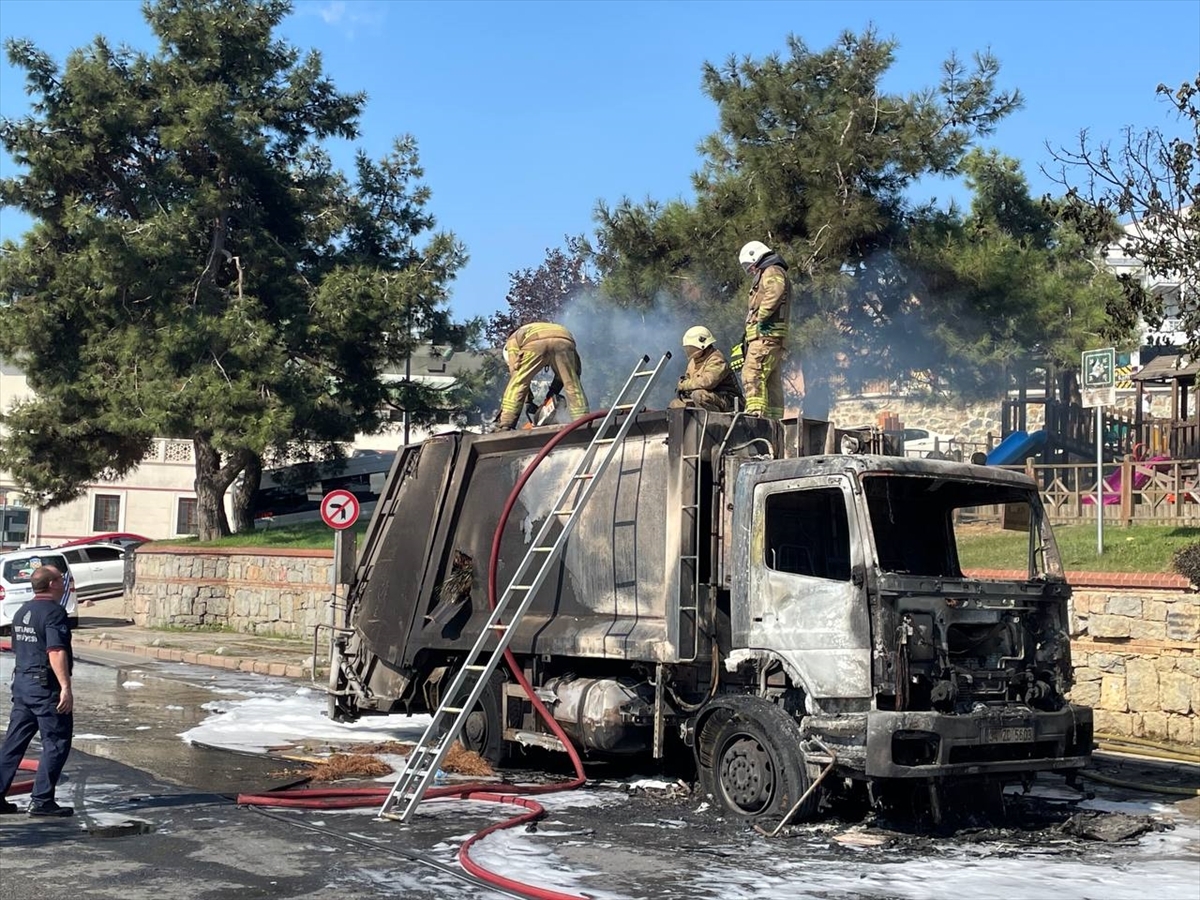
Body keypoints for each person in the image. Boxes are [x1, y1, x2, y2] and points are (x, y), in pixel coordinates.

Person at [0, 565, 75, 817]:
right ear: (52, 583)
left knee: (14, 744)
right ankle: (42, 800)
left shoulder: (22, 611)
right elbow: (55, 650)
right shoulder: (54, 613)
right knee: (56, 742)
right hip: (45, 688)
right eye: (61, 579)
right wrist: (65, 687)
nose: (64, 583)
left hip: (22, 685)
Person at [736, 240, 792, 418]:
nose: (750, 269)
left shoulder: (771, 270)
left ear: (756, 255)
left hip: (766, 337)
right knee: (771, 382)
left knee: (752, 373)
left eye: (749, 265)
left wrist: (760, 316)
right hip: (770, 338)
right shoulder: (773, 270)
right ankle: (774, 420)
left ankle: (755, 415)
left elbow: (775, 291)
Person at [498, 322, 589, 430]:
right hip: (565, 339)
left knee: (518, 382)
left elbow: (517, 376)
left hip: (536, 343)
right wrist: (552, 393)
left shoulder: (512, 342)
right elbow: (573, 371)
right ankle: (583, 420)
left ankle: (506, 424)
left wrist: (528, 401)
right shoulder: (532, 329)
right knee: (572, 383)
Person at [669, 326, 743, 412]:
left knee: (699, 395)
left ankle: (716, 423)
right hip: (708, 398)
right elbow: (688, 379)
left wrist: (684, 385)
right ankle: (693, 424)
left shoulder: (716, 359)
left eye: (692, 347)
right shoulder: (692, 363)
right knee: (675, 404)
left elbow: (707, 382)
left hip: (729, 401)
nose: (690, 350)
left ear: (703, 345)